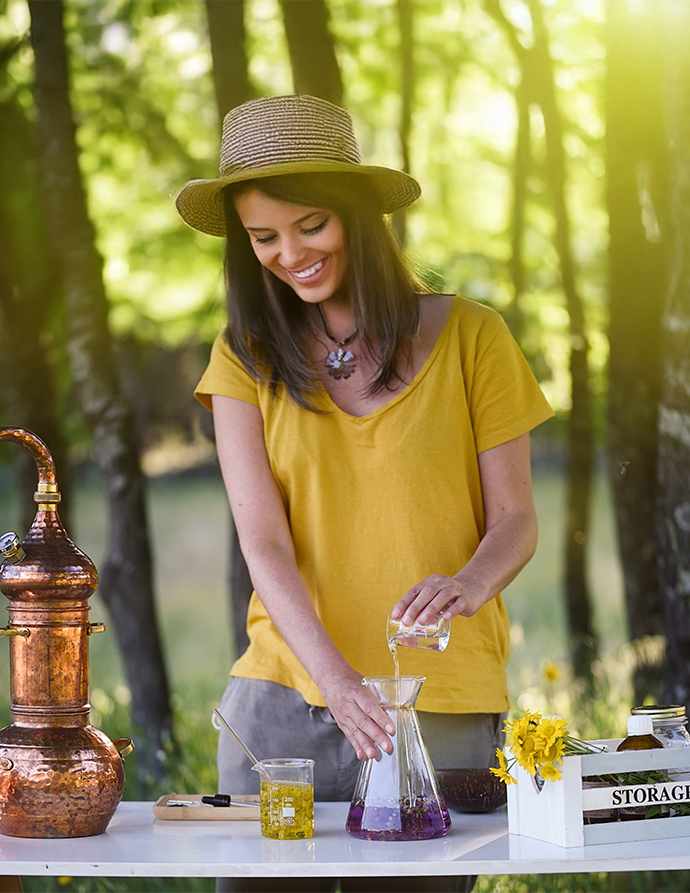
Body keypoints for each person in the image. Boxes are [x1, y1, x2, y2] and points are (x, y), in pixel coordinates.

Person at [177, 94, 553, 893]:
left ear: (356, 214)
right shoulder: (243, 355)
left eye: (310, 225)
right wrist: (339, 683)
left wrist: (469, 582)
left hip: (440, 700)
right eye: (264, 237)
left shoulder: (472, 337)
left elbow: (517, 518)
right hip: (284, 705)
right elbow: (263, 541)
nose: (289, 253)